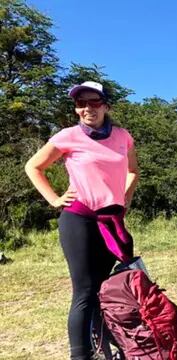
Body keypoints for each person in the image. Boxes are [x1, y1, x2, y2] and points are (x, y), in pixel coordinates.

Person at [24, 81, 140, 360]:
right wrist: (54, 199)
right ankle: (81, 355)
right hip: (79, 219)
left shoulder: (123, 136)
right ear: (76, 109)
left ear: (106, 106)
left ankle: (104, 348)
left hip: (110, 221)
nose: (88, 108)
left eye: (94, 102)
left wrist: (123, 198)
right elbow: (34, 166)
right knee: (85, 290)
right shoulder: (68, 136)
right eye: (81, 103)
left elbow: (133, 171)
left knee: (106, 288)